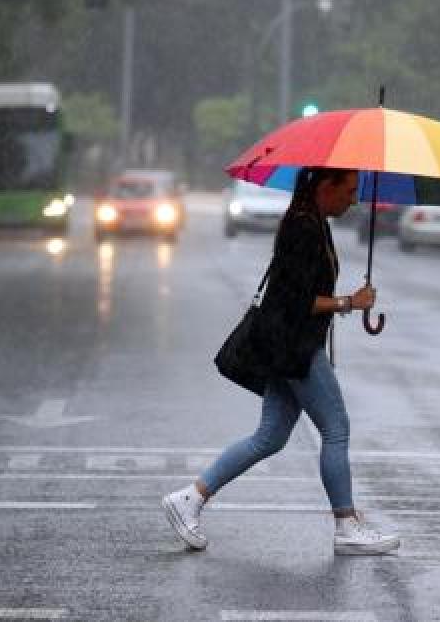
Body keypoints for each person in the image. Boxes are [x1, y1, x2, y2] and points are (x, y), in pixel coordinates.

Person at [162, 167, 400, 555]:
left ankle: (189, 498)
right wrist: (348, 303)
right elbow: (293, 301)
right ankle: (346, 525)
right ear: (326, 187)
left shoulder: (311, 221)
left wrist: (345, 301)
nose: (354, 199)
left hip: (284, 346)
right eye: (349, 190)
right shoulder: (303, 228)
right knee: (336, 429)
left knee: (270, 436)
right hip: (294, 348)